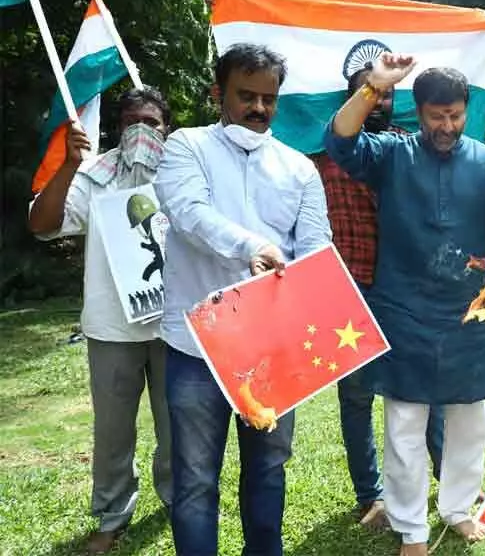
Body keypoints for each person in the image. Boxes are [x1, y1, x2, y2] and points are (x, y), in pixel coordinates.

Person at [327, 53, 485, 556]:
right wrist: (374, 86)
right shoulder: (392, 155)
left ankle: (459, 508)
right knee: (404, 423)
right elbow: (339, 143)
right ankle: (411, 528)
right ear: (416, 113)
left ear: (467, 111)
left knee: (472, 421)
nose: (446, 126)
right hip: (403, 310)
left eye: (455, 116)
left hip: (470, 313)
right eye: (435, 116)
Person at [154, 43, 331, 555]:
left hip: (271, 350)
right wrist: (253, 246)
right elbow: (188, 212)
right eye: (245, 95)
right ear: (218, 94)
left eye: (268, 98)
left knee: (269, 471)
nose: (258, 108)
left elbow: (316, 248)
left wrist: (301, 281)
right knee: (194, 481)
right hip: (196, 349)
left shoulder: (300, 168)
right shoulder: (186, 146)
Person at [27, 88, 173, 555]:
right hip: (112, 329)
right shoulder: (94, 175)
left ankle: (179, 501)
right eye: (131, 121)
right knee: (113, 433)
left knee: (179, 427)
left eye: (151, 122)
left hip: (174, 327)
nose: (141, 131)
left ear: (166, 128)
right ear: (116, 127)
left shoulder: (184, 173)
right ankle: (112, 515)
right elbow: (42, 225)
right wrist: (70, 164)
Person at [321, 61, 447, 529]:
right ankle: (369, 496)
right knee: (356, 398)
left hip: (408, 294)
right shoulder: (329, 151)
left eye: (388, 93)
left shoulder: (412, 150)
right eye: (369, 91)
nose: (379, 99)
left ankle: (447, 481)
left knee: (425, 390)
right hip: (348, 294)